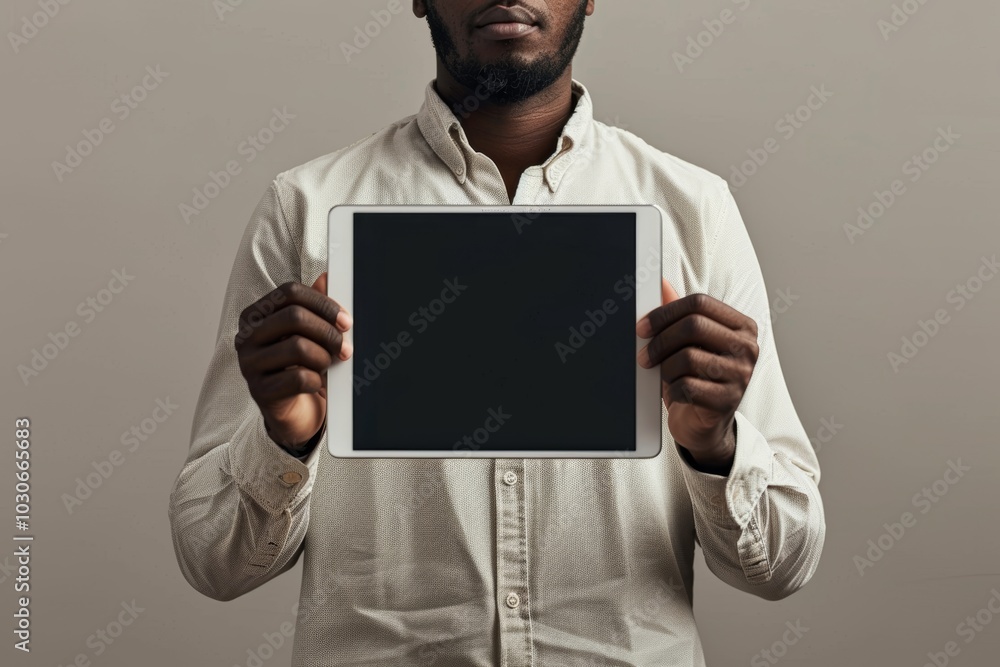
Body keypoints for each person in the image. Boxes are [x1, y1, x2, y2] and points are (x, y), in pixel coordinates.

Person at [168, 1, 825, 665]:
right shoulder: (304, 209)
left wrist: (714, 446)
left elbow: (782, 565)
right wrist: (284, 439)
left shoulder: (694, 209)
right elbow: (213, 561)